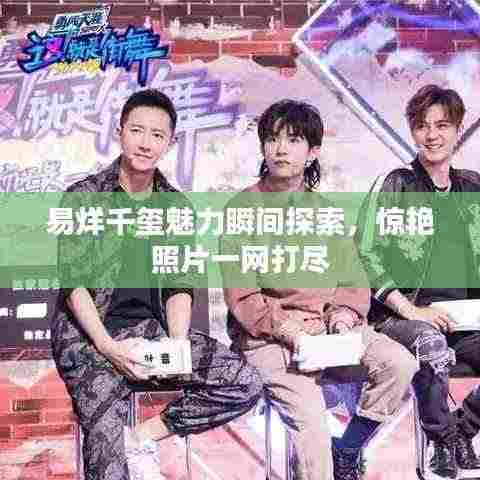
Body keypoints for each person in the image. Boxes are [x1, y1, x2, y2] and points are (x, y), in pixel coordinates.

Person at [51, 89, 263, 480]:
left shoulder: (175, 205)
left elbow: (179, 284)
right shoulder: (84, 197)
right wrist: (109, 348)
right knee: (108, 459)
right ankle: (118, 446)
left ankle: (140, 438)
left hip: (151, 334)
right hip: (90, 341)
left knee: (242, 382)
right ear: (119, 132)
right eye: (137, 130)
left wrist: (177, 345)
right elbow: (74, 285)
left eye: (157, 135)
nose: (145, 142)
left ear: (170, 142)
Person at [220, 99, 417, 480]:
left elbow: (351, 281)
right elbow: (243, 297)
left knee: (398, 362)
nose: (280, 148)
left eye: (293, 140)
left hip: (327, 331)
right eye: (272, 139)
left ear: (312, 152)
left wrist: (343, 317)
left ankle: (348, 448)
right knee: (312, 423)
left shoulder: (326, 211)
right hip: (269, 339)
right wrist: (290, 331)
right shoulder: (241, 208)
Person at [356, 84, 480, 478]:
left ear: (457, 129)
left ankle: (461, 431)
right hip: (400, 317)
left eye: (442, 125)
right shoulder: (397, 183)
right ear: (412, 131)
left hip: (463, 319)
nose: (432, 135)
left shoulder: (472, 186)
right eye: (422, 126)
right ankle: (440, 442)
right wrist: (411, 310)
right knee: (430, 343)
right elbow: (365, 252)